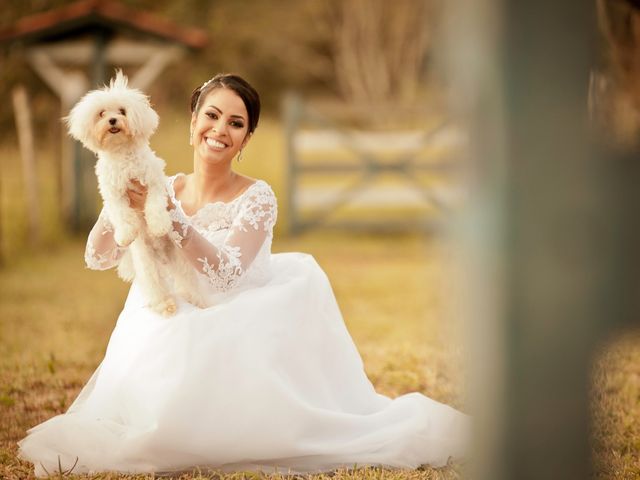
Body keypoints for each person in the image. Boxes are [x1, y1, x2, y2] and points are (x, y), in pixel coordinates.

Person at [18, 74, 469, 477]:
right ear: (193, 119)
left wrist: (171, 217)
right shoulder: (158, 181)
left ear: (247, 137)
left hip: (238, 315)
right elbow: (98, 257)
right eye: (211, 116)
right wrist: (120, 211)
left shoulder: (258, 196)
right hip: (168, 316)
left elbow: (229, 275)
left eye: (235, 123)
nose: (220, 130)